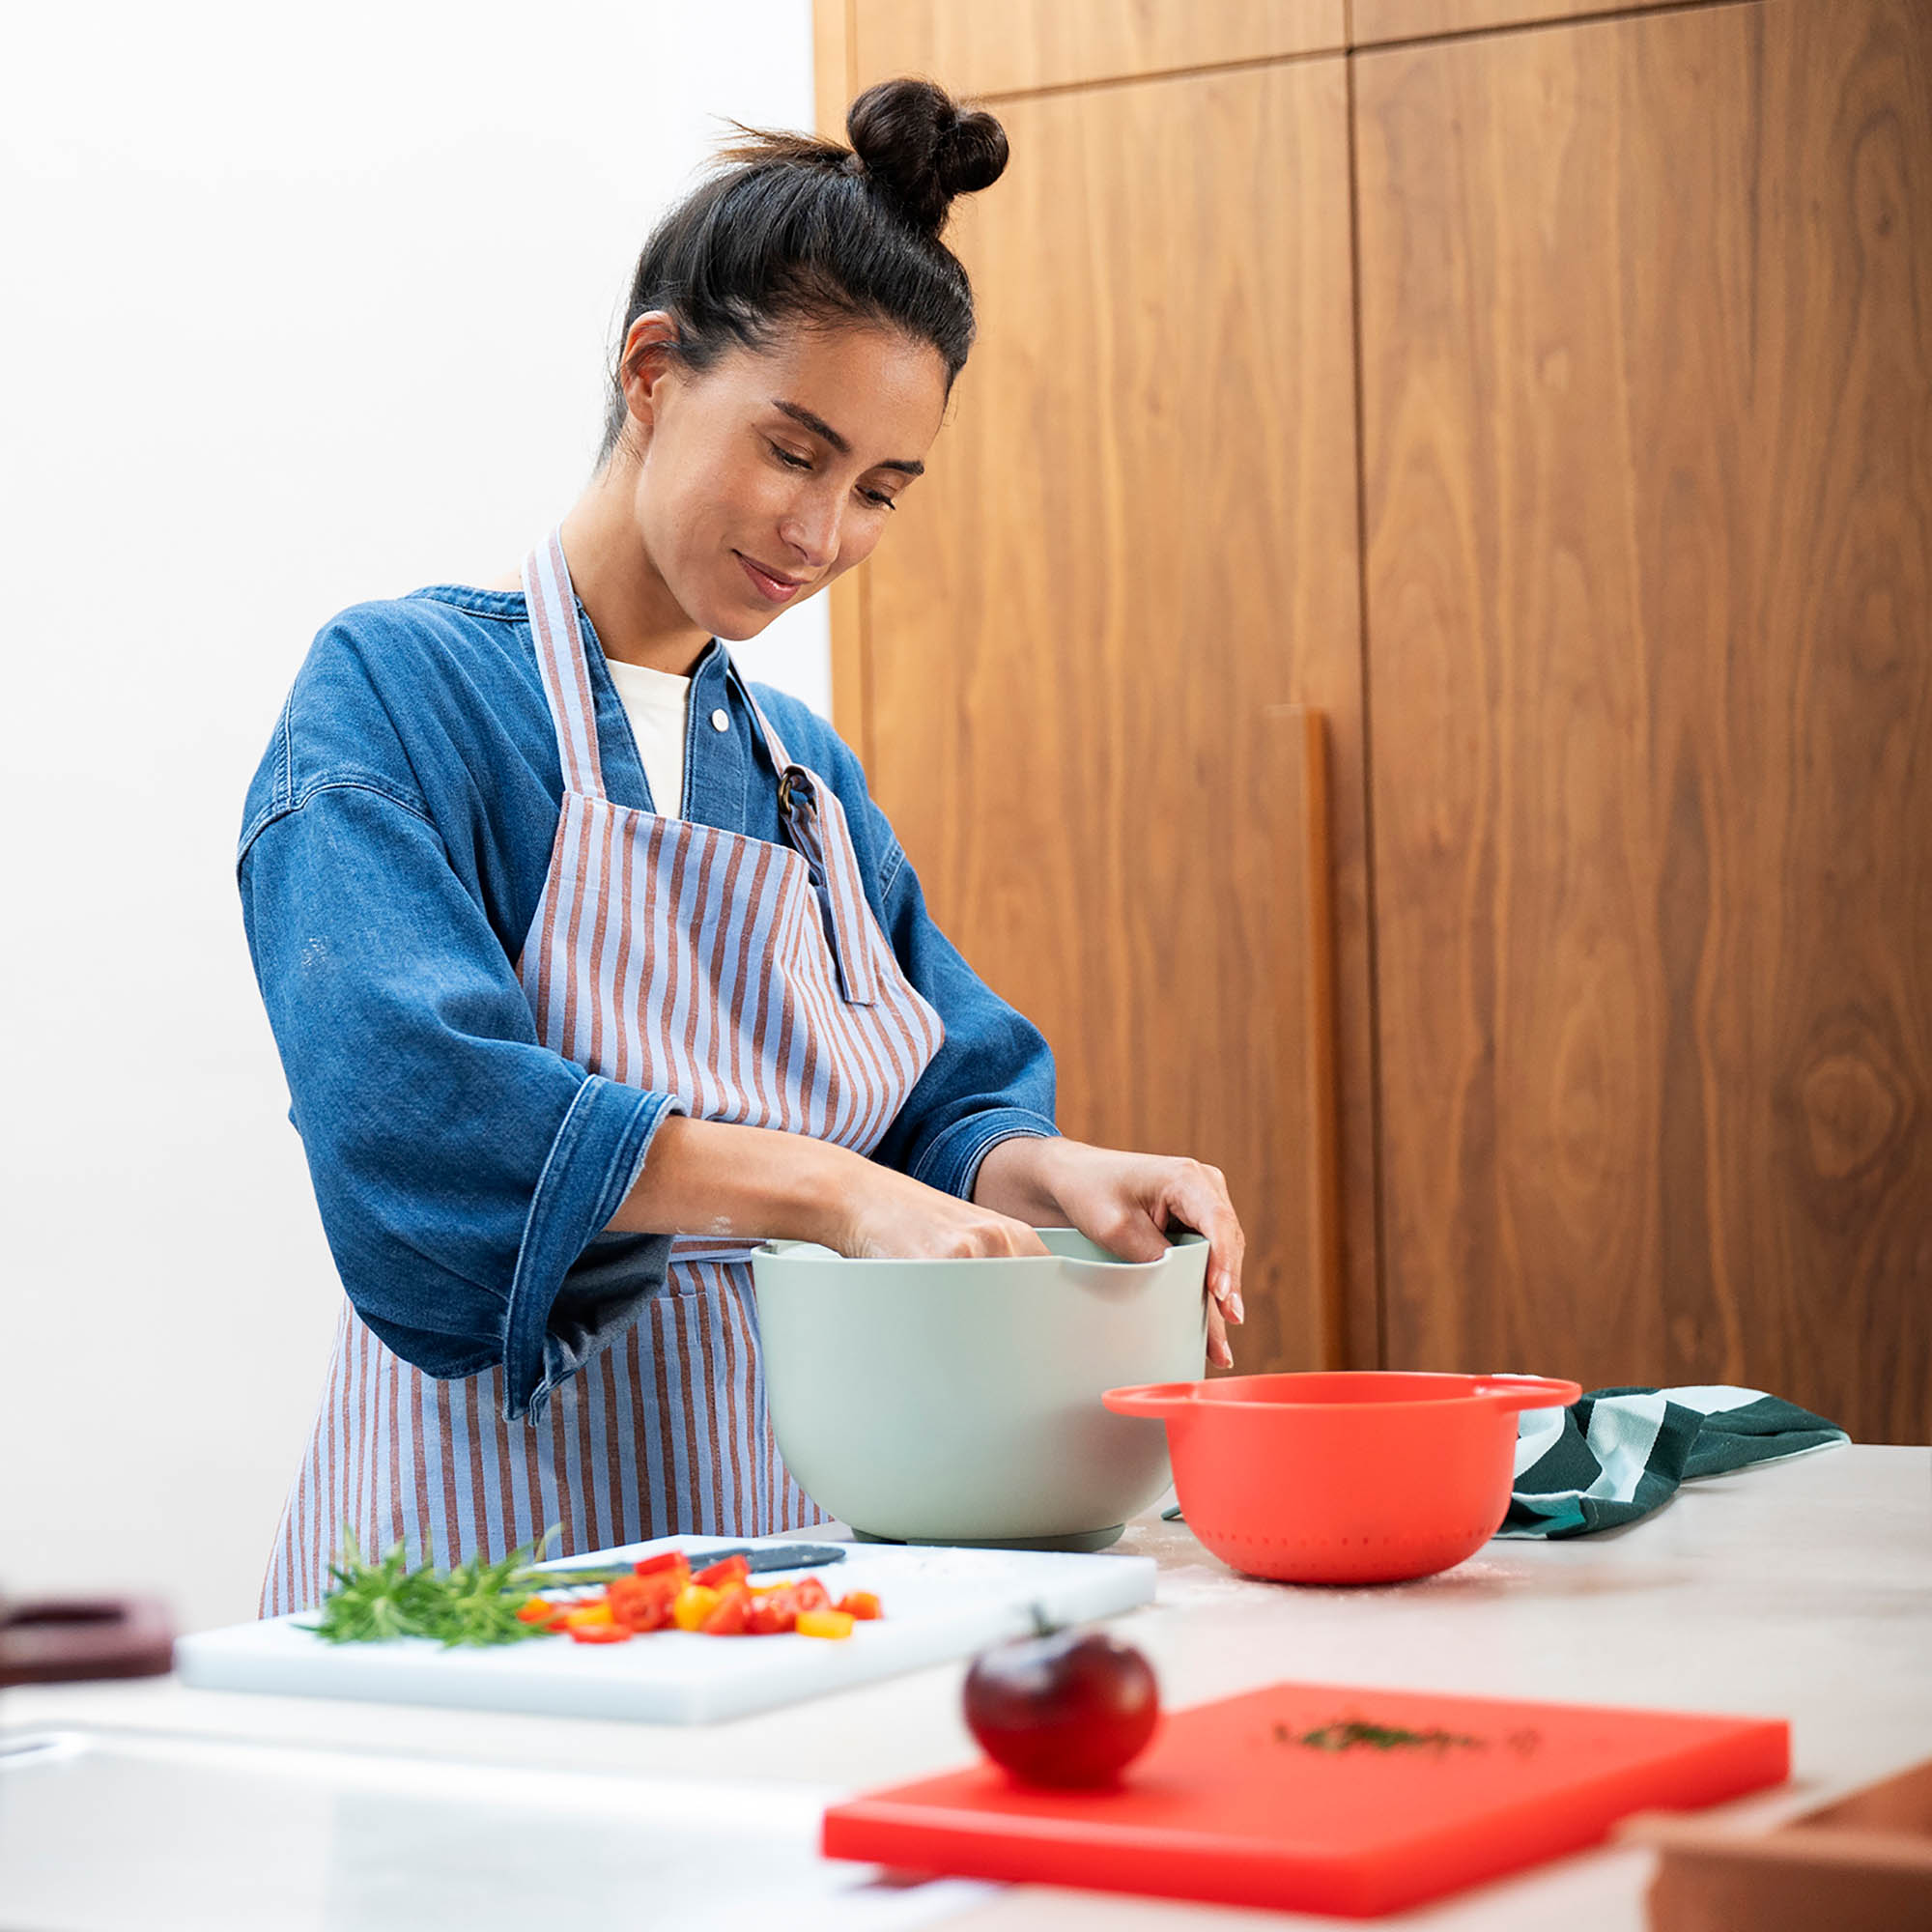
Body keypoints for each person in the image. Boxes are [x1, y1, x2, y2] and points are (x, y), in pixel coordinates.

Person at [239, 77, 1246, 1615]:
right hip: (486, 1562)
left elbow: (930, 1093)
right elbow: (415, 1110)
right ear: (652, 372)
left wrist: (1058, 1172)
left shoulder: (802, 781)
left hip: (782, 1556)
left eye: (879, 491)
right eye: (795, 451)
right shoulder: (400, 694)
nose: (823, 533)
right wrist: (831, 1196)